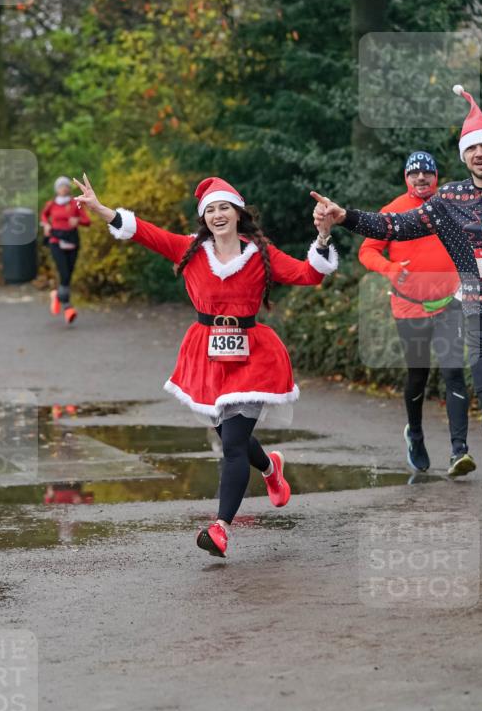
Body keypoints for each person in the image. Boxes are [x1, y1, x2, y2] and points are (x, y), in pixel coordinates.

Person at [312, 85, 482, 556]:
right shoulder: (450, 200)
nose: (479, 153)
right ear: (462, 157)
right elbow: (395, 227)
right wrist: (346, 217)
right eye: (470, 148)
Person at [72, 173, 339, 559]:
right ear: (204, 217)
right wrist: (101, 209)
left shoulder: (260, 253)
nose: (217, 214)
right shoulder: (191, 250)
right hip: (207, 355)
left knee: (230, 444)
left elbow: (309, 273)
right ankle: (270, 468)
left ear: (237, 213)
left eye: (224, 207)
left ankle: (220, 527)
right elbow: (143, 232)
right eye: (210, 209)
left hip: (254, 356)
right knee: (234, 436)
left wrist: (324, 236)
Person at [358, 150, 476, 477]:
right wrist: (390, 268)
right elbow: (367, 251)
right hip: (409, 305)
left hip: (449, 303)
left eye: (427, 173)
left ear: (436, 176)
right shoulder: (393, 212)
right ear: (406, 178)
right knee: (418, 374)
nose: (421, 178)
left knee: (453, 371)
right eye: (414, 174)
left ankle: (459, 451)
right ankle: (416, 434)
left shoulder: (450, 206)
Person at [40, 176, 91, 325]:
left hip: (72, 241)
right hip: (56, 241)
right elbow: (43, 216)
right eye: (62, 186)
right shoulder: (51, 204)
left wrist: (78, 221)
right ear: (57, 189)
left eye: (67, 186)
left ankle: (57, 295)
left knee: (68, 275)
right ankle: (68, 307)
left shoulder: (75, 203)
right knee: (64, 272)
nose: (65, 188)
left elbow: (87, 221)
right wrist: (46, 225)